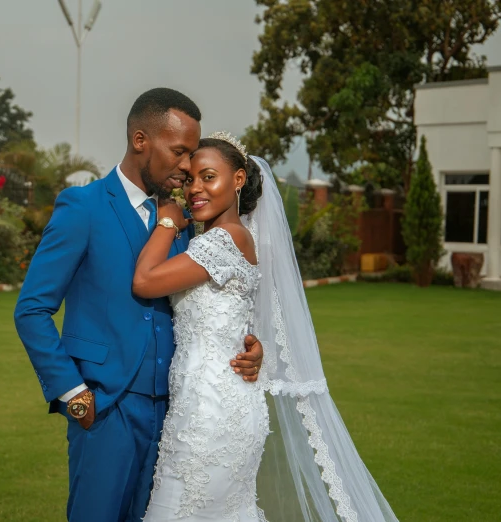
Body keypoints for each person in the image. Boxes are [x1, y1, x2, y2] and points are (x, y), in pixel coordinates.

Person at [13, 89, 264, 522]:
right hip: (105, 407)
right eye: (180, 152)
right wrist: (73, 393)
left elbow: (214, 296)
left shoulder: (188, 225)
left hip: (176, 415)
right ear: (141, 140)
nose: (187, 167)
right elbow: (31, 309)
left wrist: (250, 345)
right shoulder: (84, 207)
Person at [134, 133, 400, 521]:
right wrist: (256, 347)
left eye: (209, 177)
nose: (195, 189)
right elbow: (243, 316)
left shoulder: (224, 239)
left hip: (211, 415)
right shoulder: (227, 239)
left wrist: (167, 221)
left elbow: (144, 281)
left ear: (239, 180)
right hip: (209, 405)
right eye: (190, 179)